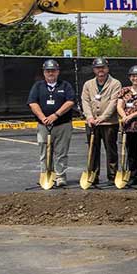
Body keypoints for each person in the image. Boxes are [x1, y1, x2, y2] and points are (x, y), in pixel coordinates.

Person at [28, 59, 75, 187]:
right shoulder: (38, 86)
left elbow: (70, 102)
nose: (50, 73)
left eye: (53, 71)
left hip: (62, 125)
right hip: (44, 125)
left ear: (58, 72)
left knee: (61, 152)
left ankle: (60, 176)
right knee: (44, 152)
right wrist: (43, 117)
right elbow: (32, 102)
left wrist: (56, 115)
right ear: (44, 73)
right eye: (48, 71)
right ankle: (46, 174)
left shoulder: (65, 85)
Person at [80, 57, 122, 185]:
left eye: (103, 67)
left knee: (111, 150)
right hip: (92, 122)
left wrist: (103, 117)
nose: (101, 70)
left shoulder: (115, 83)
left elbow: (114, 102)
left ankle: (112, 176)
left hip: (109, 123)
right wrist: (89, 117)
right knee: (93, 150)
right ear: (94, 70)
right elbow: (85, 101)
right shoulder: (88, 84)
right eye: (98, 68)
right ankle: (93, 175)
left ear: (107, 69)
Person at [116, 65, 137, 186]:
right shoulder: (124, 90)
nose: (136, 78)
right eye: (133, 76)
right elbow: (119, 106)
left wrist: (131, 116)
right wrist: (124, 116)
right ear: (130, 77)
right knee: (131, 151)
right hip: (128, 126)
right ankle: (133, 174)